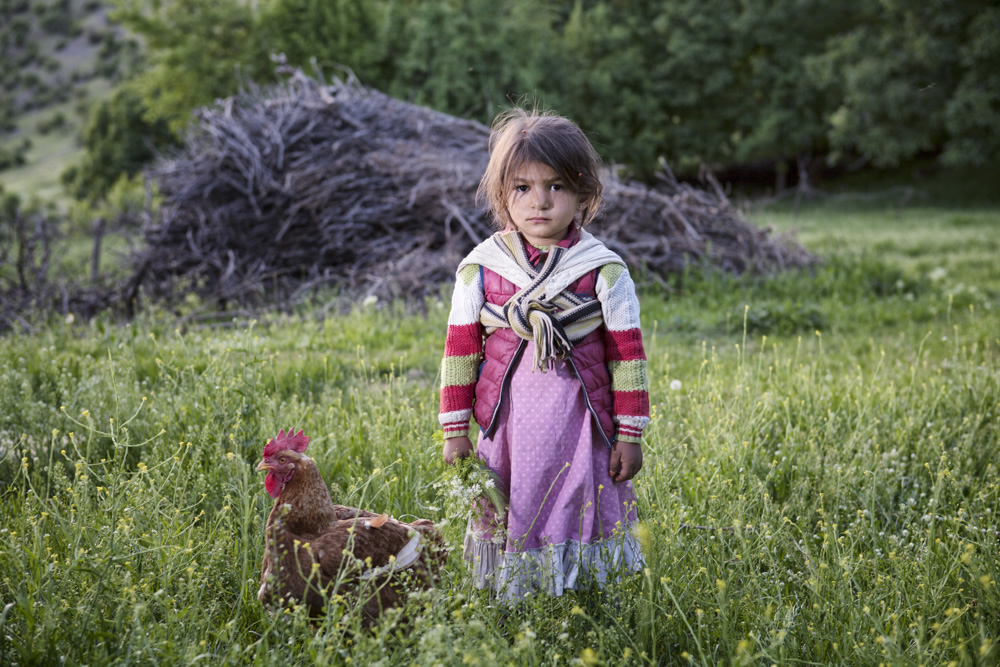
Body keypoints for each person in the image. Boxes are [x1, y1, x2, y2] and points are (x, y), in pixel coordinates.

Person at [438, 107, 649, 601]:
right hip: (508, 424)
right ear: (501, 195)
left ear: (582, 193)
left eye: (555, 186)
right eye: (522, 188)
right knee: (512, 500)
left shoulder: (603, 271)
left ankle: (581, 596)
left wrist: (630, 433)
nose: (540, 202)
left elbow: (628, 358)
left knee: (578, 501)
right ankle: (515, 595)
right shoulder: (481, 270)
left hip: (581, 423)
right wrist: (454, 430)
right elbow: (461, 351)